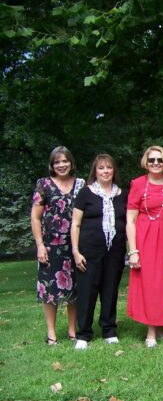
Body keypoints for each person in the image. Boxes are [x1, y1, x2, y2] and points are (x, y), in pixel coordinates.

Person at [71, 154, 127, 349]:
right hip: (89, 251)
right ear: (95, 171)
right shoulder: (86, 193)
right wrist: (76, 252)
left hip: (115, 251)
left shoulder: (122, 194)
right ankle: (83, 334)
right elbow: (76, 224)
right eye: (101, 168)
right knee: (87, 292)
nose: (105, 171)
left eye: (109, 168)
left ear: (114, 171)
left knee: (110, 291)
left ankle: (109, 330)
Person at [31, 146, 85, 345]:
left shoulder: (81, 184)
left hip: (75, 245)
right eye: (57, 162)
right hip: (50, 246)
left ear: (71, 163)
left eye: (65, 161)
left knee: (75, 289)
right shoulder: (43, 184)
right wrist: (39, 245)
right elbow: (35, 218)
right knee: (49, 290)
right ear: (52, 165)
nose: (62, 165)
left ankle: (72, 331)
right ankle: (52, 333)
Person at [126, 146, 163, 348]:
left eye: (159, 160)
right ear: (145, 163)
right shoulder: (138, 184)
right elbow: (130, 220)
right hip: (146, 237)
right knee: (150, 284)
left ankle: (160, 327)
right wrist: (133, 251)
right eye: (151, 160)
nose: (155, 163)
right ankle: (150, 333)